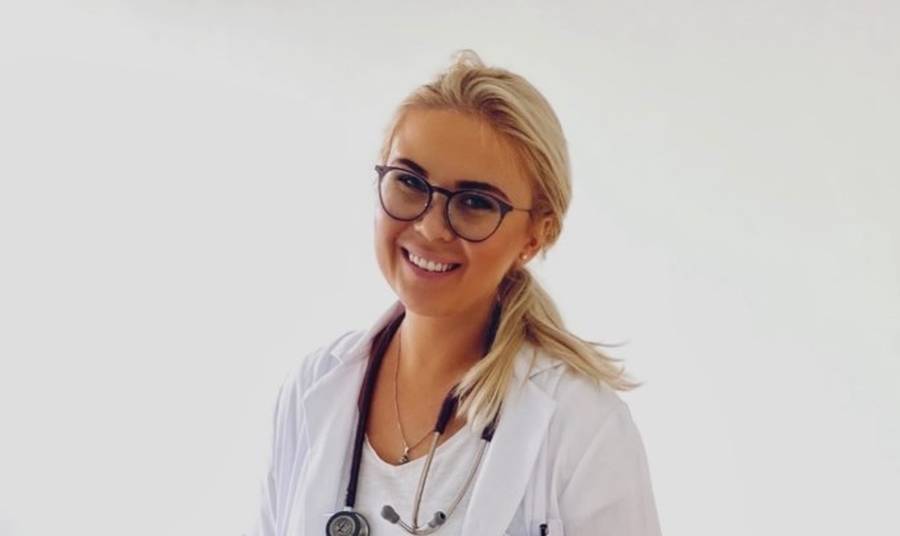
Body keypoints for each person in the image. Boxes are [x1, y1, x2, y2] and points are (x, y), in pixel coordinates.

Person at [246, 50, 662, 536]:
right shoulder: (313, 389)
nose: (430, 227)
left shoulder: (582, 427)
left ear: (536, 235)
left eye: (475, 202)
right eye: (409, 181)